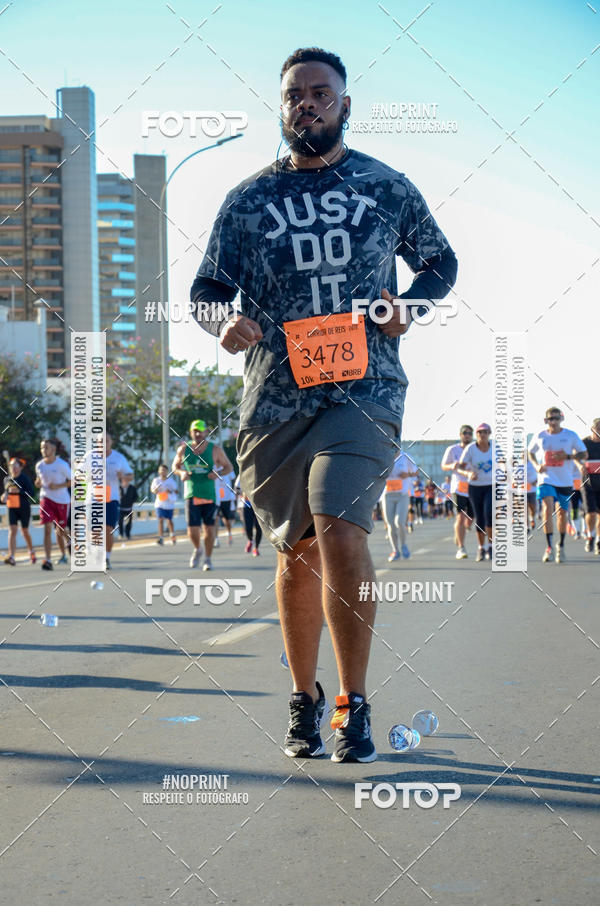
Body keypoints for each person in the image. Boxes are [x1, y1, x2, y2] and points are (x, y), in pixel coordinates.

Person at [191, 47, 457, 762]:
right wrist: (223, 322)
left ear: (345, 105)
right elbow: (207, 288)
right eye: (294, 95)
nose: (306, 103)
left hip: (365, 390)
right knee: (296, 553)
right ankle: (303, 698)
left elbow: (441, 261)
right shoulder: (248, 200)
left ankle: (354, 702)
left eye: (320, 93)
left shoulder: (384, 185)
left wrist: (410, 306)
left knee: (341, 526)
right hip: (276, 400)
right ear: (282, 107)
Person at [172, 420, 233, 570]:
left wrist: (217, 473)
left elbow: (229, 467)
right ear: (191, 433)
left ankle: (208, 558)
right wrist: (181, 473)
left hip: (210, 495)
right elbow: (175, 466)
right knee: (192, 530)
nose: (198, 434)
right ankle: (198, 548)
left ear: (206, 432)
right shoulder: (183, 449)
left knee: (209, 529)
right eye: (195, 431)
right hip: (191, 494)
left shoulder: (215, 450)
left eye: (201, 431)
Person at [528, 407, 586, 563]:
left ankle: (560, 545)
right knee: (547, 508)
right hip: (546, 478)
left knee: (561, 513)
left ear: (561, 418)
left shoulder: (570, 435)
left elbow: (584, 453)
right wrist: (535, 465)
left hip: (565, 480)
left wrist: (567, 456)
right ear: (546, 420)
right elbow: (530, 452)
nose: (553, 421)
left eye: (556, 418)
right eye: (550, 419)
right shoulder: (540, 435)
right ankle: (549, 547)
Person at [458, 423, 494, 561]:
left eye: (485, 432)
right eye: (479, 432)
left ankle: (490, 545)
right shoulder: (471, 449)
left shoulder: (495, 447)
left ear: (489, 433)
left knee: (489, 514)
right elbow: (460, 467)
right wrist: (467, 473)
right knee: (480, 518)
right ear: (476, 435)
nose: (482, 435)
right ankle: (481, 547)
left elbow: (503, 463)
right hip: (475, 486)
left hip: (491, 485)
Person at [35, 438, 71, 570]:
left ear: (53, 449)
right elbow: (39, 480)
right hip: (46, 498)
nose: (43, 450)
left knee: (60, 530)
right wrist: (37, 483)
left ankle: (67, 547)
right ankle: (48, 560)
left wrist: (58, 486)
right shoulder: (39, 465)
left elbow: (73, 481)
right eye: (42, 448)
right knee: (47, 528)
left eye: (46, 448)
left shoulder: (61, 465)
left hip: (62, 500)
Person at [441, 425, 474, 559]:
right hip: (458, 487)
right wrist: (451, 466)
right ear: (460, 435)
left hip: (473, 487)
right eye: (465, 433)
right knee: (460, 517)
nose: (467, 435)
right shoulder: (452, 449)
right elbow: (443, 466)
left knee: (471, 518)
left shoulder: (475, 450)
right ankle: (461, 547)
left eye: (469, 433)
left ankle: (460, 531)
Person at [380, 451, 417, 561]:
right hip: (387, 495)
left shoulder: (406, 457)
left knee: (399, 522)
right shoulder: (382, 455)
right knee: (391, 524)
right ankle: (395, 550)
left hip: (402, 494)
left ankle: (404, 545)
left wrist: (408, 474)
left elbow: (416, 472)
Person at [2, 458, 36, 565]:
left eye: (16, 466)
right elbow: (6, 493)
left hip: (24, 507)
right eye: (12, 466)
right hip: (12, 507)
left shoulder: (24, 479)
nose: (14, 468)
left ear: (21, 467)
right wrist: (3, 496)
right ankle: (11, 556)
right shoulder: (7, 479)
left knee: (24, 531)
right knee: (12, 530)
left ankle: (31, 551)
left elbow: (32, 494)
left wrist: (19, 491)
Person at [580, 417, 600, 554]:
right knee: (591, 513)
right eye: (598, 429)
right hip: (588, 483)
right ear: (592, 429)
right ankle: (590, 536)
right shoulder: (583, 443)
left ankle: (598, 540)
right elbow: (577, 459)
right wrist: (580, 465)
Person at [235, 474, 262, 555]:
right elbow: (237, 486)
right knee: (248, 526)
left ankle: (256, 548)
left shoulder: (261, 471)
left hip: (259, 505)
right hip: (247, 504)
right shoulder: (243, 472)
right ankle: (250, 540)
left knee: (258, 526)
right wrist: (239, 492)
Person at [150, 464, 178, 544]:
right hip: (160, 503)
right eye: (160, 470)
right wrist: (155, 490)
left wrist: (170, 491)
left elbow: (176, 491)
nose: (162, 471)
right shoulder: (156, 480)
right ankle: (161, 538)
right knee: (161, 520)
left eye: (164, 470)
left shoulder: (171, 481)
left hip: (169, 503)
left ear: (167, 471)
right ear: (158, 471)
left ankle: (172, 535)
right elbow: (152, 490)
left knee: (169, 520)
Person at [214, 468, 237, 547]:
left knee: (226, 519)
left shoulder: (227, 467)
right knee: (216, 518)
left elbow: (234, 479)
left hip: (226, 498)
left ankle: (229, 533)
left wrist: (234, 492)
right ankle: (216, 539)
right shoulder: (213, 467)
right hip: (216, 497)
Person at [119, 475, 138, 542]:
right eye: (124, 479)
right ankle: (121, 534)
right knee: (120, 521)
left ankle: (128, 535)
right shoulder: (119, 487)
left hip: (129, 508)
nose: (125, 481)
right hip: (120, 508)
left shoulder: (132, 488)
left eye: (127, 480)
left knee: (129, 522)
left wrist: (132, 501)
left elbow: (136, 496)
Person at [526, 458, 538, 533]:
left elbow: (539, 472)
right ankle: (526, 526)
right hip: (522, 490)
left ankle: (532, 518)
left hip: (532, 489)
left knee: (533, 508)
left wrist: (536, 481)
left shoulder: (532, 462)